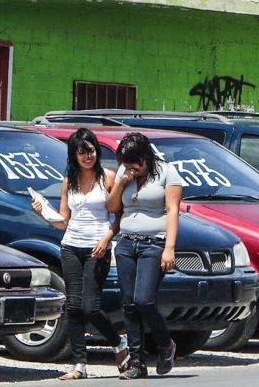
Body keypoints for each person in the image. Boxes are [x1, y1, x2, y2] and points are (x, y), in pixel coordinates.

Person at [31, 128, 128, 380]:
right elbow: (64, 221)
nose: (88, 156)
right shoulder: (68, 182)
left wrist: (107, 239)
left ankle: (119, 343)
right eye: (82, 152)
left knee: (90, 307)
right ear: (74, 155)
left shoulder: (107, 178)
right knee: (73, 307)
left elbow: (119, 216)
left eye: (92, 151)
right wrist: (43, 211)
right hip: (71, 245)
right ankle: (79, 365)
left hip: (98, 247)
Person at [106, 132, 181, 379]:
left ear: (146, 157)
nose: (131, 169)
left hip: (154, 244)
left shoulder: (167, 172)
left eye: (135, 164)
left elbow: (172, 211)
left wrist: (169, 248)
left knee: (144, 301)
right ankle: (137, 362)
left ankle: (165, 344)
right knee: (128, 304)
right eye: (126, 164)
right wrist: (121, 182)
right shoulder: (124, 173)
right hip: (127, 243)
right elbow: (113, 207)